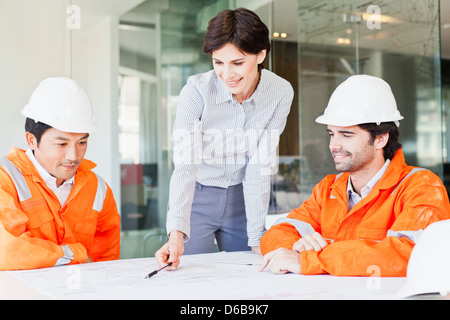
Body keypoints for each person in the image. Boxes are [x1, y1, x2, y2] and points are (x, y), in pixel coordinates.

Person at [259, 74, 450, 277]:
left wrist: (313, 259)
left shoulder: (421, 187)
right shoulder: (328, 189)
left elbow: (412, 254)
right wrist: (296, 248)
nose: (334, 145)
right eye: (332, 133)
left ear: (380, 139)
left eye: (346, 134)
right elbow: (276, 234)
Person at [156, 8, 294, 270]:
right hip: (197, 198)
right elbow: (185, 165)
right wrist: (175, 234)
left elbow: (260, 164)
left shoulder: (280, 92)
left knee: (251, 273)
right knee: (192, 278)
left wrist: (257, 235)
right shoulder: (195, 92)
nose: (227, 74)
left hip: (243, 199)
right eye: (218, 62)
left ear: (261, 54)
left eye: (238, 62)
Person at [0, 77, 121, 270]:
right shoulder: (5, 180)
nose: (73, 156)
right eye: (61, 144)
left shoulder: (97, 189)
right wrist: (76, 254)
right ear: (31, 140)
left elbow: (106, 264)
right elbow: (7, 251)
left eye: (82, 142)